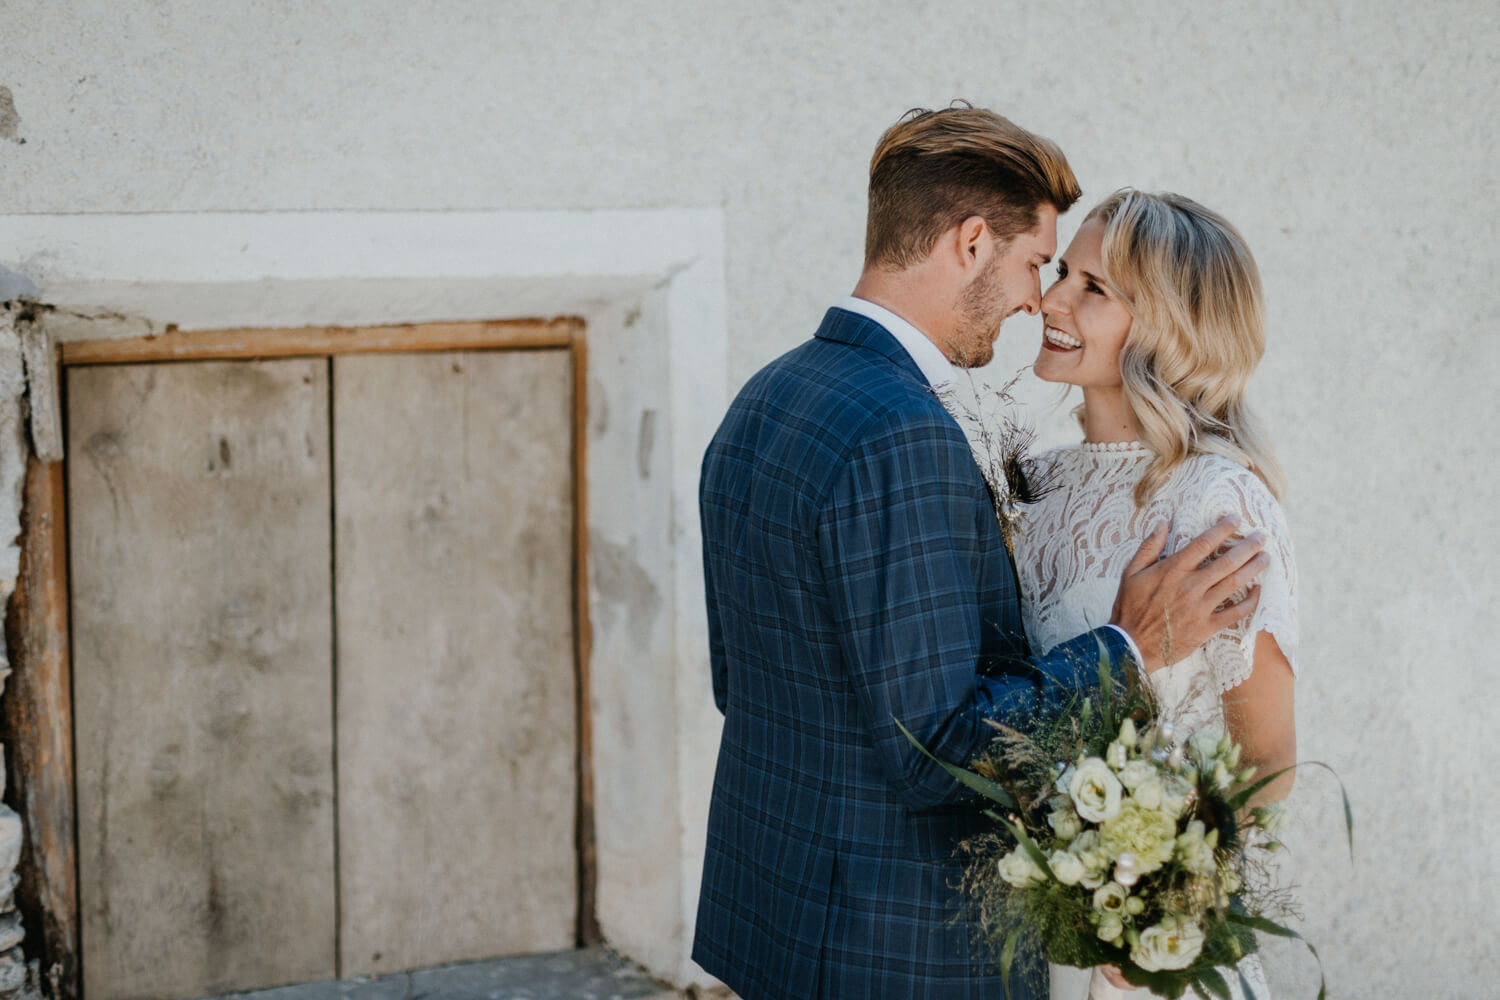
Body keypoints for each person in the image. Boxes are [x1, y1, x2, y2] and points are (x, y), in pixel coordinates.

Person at [691, 106, 1271, 1000]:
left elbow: (742, 682)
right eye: (1040, 265)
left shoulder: (766, 397)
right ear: (969, 244)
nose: (1038, 300)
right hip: (891, 946)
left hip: (781, 913)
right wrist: (1129, 648)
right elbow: (937, 750)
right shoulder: (901, 434)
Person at [1016, 189, 1297, 1000]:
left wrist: (1163, 907)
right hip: (1043, 924)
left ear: (1170, 326)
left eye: (1092, 288)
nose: (1051, 298)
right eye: (1062, 270)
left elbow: (1267, 760)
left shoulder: (1213, 499)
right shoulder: (1037, 486)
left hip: (1145, 949)